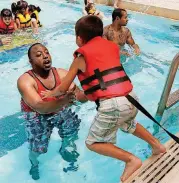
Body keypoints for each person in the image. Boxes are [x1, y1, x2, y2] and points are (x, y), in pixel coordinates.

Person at [41, 16, 166, 182]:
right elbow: (103, 80)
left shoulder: (80, 58)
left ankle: (131, 160)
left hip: (112, 105)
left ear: (79, 38)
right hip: (131, 98)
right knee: (127, 123)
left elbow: (63, 88)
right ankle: (157, 145)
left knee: (92, 143)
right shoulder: (112, 47)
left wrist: (50, 94)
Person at [17, 43, 88, 180]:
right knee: (38, 149)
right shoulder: (25, 81)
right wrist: (64, 101)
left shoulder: (61, 74)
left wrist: (92, 91)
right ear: (31, 62)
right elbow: (40, 107)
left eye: (46, 52)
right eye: (38, 55)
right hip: (36, 116)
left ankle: (65, 148)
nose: (45, 56)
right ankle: (34, 162)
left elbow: (78, 96)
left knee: (72, 129)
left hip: (59, 109)